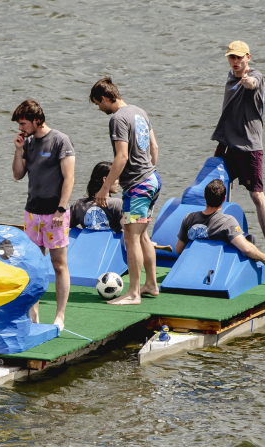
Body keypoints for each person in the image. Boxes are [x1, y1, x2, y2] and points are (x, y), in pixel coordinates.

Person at [89, 77, 161, 305]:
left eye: (97, 104)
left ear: (104, 98)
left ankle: (134, 293)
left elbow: (121, 157)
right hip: (153, 180)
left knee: (131, 238)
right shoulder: (140, 111)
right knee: (143, 236)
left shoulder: (118, 119)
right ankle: (151, 284)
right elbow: (154, 148)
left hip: (139, 186)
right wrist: (147, 172)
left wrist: (105, 187)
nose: (99, 109)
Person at [11, 99, 75, 330]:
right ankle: (33, 310)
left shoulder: (60, 140)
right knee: (33, 265)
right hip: (32, 213)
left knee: (59, 265)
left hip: (55, 213)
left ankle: (60, 315)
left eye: (23, 123)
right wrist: (18, 150)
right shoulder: (27, 144)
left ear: (37, 120)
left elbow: (70, 178)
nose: (20, 128)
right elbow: (18, 175)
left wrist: (61, 208)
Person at [211, 40, 265, 257]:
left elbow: (252, 84)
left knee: (256, 195)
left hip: (249, 147)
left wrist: (247, 80)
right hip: (226, 144)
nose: (236, 61)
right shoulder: (230, 77)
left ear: (248, 57)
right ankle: (221, 235)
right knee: (218, 190)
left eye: (240, 57)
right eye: (232, 57)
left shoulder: (255, 76)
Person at [175, 179, 265, 265]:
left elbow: (179, 249)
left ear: (205, 196)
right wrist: (264, 257)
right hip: (215, 268)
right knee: (248, 241)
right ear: (224, 198)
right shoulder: (227, 222)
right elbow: (246, 249)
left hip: (193, 264)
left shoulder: (189, 218)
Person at [69, 161, 122, 232]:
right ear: (105, 180)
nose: (118, 182)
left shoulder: (78, 204)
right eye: (116, 178)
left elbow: (64, 226)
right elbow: (130, 227)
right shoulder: (117, 203)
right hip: (112, 241)